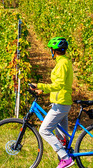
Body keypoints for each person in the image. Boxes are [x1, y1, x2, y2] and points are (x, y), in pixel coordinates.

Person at [31, 36, 74, 168]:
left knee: (44, 130)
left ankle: (66, 159)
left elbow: (59, 85)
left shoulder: (62, 64)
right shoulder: (64, 62)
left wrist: (40, 85)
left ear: (53, 51)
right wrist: (42, 91)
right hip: (62, 102)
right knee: (62, 138)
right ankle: (67, 155)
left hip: (61, 103)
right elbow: (59, 84)